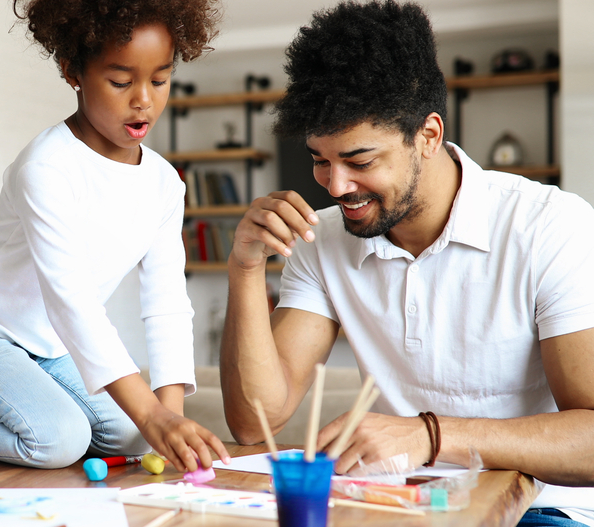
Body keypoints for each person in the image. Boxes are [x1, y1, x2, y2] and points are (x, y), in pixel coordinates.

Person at [219, 1, 594, 525]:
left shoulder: (549, 227)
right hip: (394, 504)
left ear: (429, 135)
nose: (336, 186)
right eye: (320, 161)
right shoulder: (321, 240)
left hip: (538, 510)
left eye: (360, 161)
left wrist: (430, 434)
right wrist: (245, 268)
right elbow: (255, 422)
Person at [0, 0, 231, 472]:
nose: (143, 99)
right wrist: (152, 414)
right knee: (60, 442)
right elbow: (73, 303)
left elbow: (166, 303)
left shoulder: (166, 184)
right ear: (74, 72)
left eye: (160, 79)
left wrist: (168, 419)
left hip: (49, 345)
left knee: (131, 436)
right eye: (121, 81)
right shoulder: (47, 167)